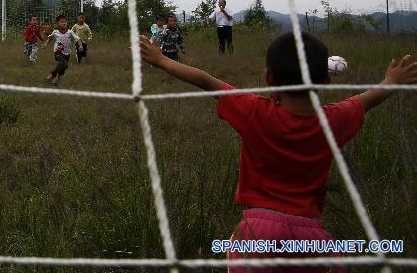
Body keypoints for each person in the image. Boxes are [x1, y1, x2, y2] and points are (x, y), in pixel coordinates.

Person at [138, 31, 417, 271]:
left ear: (269, 79)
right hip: (312, 238)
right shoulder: (334, 120)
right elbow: (366, 100)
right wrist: (391, 81)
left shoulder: (253, 111)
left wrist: (161, 60)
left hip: (258, 233)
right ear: (327, 80)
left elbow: (205, 81)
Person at [42, 14, 81, 87]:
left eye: (65, 22)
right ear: (57, 24)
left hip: (67, 53)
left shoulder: (70, 32)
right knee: (64, 64)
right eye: (62, 22)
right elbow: (50, 38)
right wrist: (45, 45)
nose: (64, 23)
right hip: (58, 52)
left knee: (61, 65)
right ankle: (56, 79)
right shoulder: (55, 32)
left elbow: (77, 39)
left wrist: (80, 46)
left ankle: (50, 76)